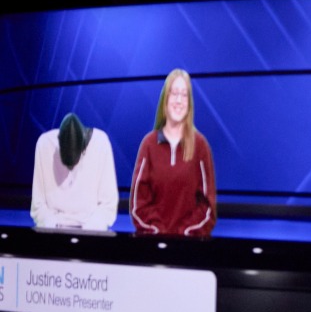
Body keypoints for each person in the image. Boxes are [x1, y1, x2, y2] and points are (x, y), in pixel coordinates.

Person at [130, 68, 217, 237]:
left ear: (189, 103)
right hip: (154, 243)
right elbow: (138, 206)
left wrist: (183, 235)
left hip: (189, 246)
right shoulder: (149, 144)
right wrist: (159, 234)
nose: (179, 100)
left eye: (184, 95)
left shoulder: (200, 146)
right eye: (174, 93)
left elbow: (207, 208)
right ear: (165, 99)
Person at [30, 112, 119, 230]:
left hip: (91, 230)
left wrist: (87, 231)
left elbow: (108, 205)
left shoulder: (101, 143)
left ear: (84, 148)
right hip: (52, 230)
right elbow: (38, 205)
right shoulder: (45, 144)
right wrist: (54, 228)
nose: (70, 169)